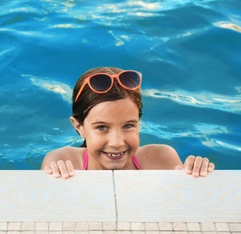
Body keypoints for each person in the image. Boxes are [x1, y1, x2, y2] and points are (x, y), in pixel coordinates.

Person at [41, 67, 215, 179]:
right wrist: (56, 181)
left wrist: (197, 176)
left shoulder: (162, 159)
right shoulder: (62, 162)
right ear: (79, 127)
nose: (117, 142)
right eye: (102, 127)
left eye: (128, 125)